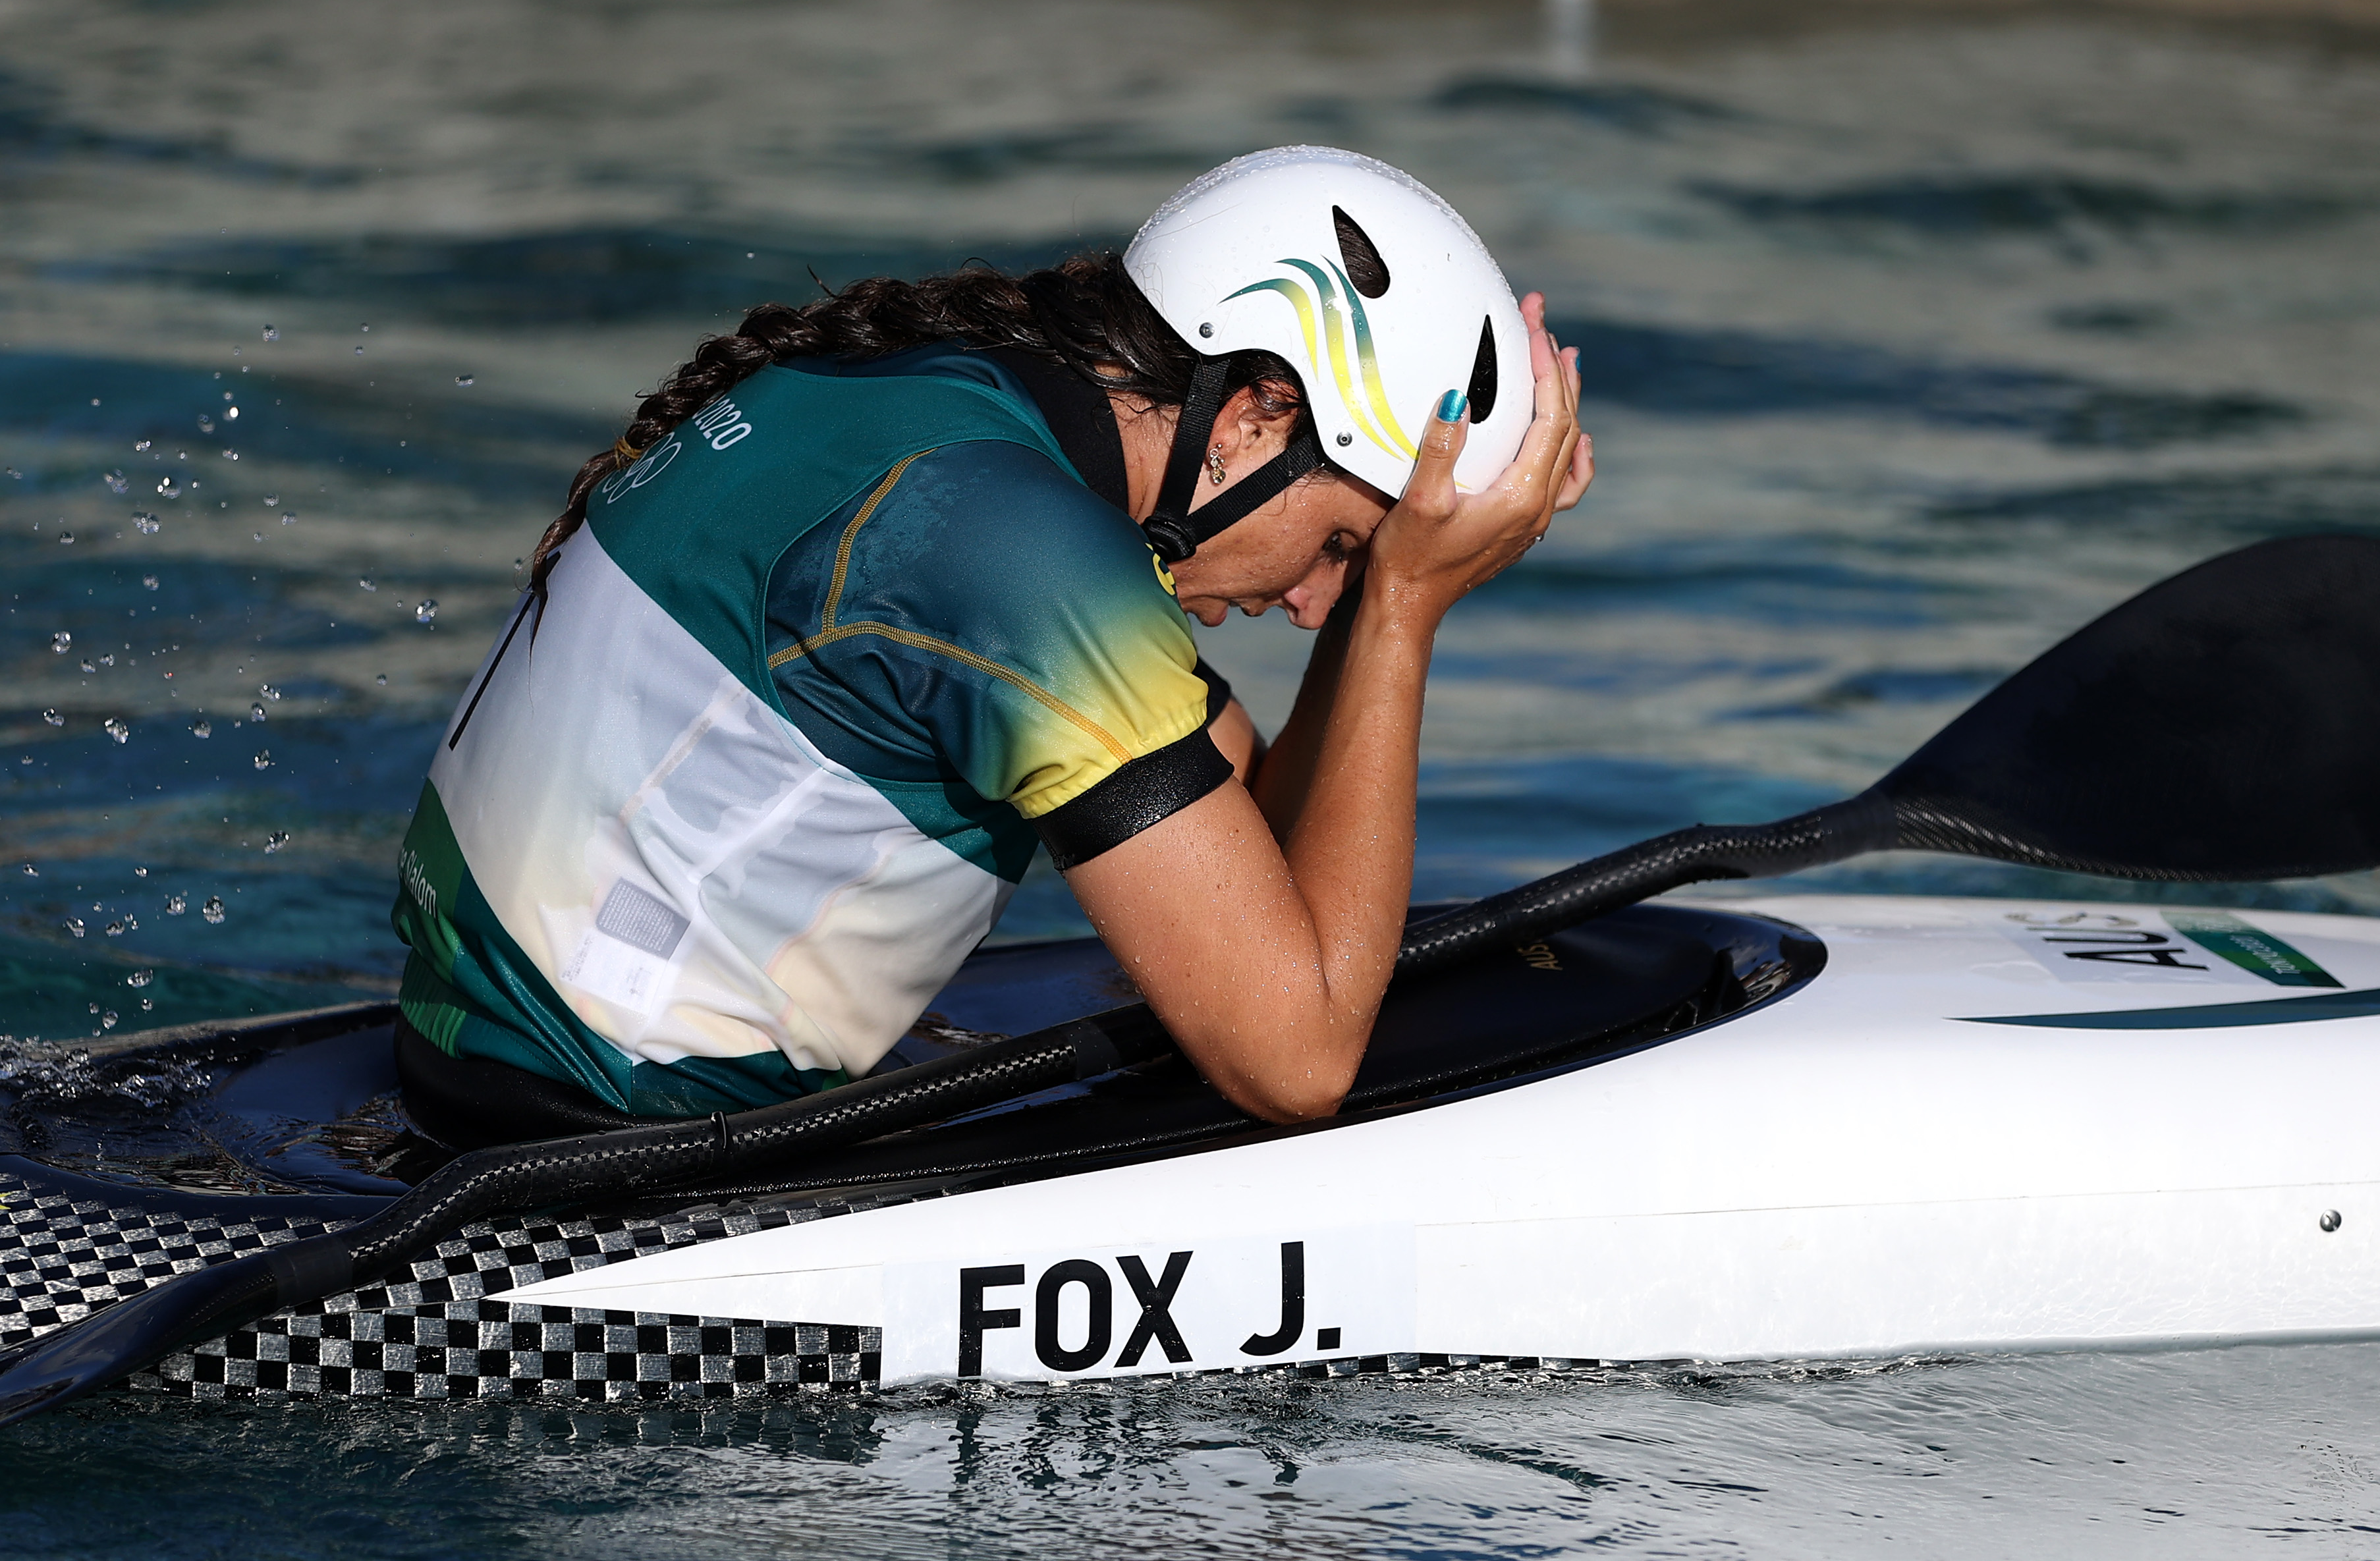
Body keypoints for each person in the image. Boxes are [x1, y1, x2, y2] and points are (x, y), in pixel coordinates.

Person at [389, 146, 1593, 1149]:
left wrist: (1393, 584)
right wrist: (1405, 613)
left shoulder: (925, 406)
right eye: (1340, 546)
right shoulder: (1024, 561)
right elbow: (1298, 1054)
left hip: (468, 1052)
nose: (1317, 605)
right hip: (610, 1142)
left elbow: (1260, 842)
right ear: (1253, 415)